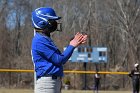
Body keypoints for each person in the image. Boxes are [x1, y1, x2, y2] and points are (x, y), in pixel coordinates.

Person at [31, 7, 87, 93]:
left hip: (52, 82)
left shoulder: (44, 38)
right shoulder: (39, 40)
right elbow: (60, 60)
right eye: (51, 21)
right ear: (42, 22)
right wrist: (72, 45)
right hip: (47, 84)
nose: (55, 23)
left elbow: (60, 57)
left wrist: (74, 43)